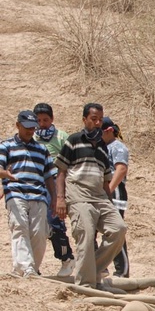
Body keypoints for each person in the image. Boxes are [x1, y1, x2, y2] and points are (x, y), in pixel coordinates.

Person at [54, 103, 126, 289]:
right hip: (78, 196)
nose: (97, 123)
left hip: (100, 197)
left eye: (100, 120)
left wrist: (109, 204)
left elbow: (105, 181)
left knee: (118, 229)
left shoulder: (103, 147)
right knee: (85, 237)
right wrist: (60, 199)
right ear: (84, 119)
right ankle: (85, 286)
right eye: (93, 119)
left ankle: (92, 270)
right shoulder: (74, 140)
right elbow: (61, 172)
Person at [1, 110, 58, 277]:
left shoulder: (42, 149)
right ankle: (26, 268)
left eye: (33, 128)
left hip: (38, 196)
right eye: (26, 127)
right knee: (19, 227)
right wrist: (6, 175)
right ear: (18, 125)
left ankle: (30, 268)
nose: (30, 131)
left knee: (39, 234)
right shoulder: (6, 146)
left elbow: (49, 176)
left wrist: (54, 198)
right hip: (15, 192)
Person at [32, 103, 74, 277]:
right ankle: (33, 265)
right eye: (39, 120)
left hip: (56, 181)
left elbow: (71, 161)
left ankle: (66, 258)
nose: (42, 124)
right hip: (36, 182)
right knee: (34, 225)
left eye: (45, 120)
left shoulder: (62, 137)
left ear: (52, 119)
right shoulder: (32, 137)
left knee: (54, 220)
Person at [101, 117, 130, 278]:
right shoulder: (100, 147)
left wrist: (109, 190)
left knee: (116, 230)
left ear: (109, 131)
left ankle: (122, 270)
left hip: (115, 192)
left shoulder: (118, 147)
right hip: (101, 191)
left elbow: (120, 170)